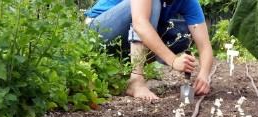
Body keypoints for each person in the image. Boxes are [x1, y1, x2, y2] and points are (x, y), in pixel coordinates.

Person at [85, 0, 213, 100]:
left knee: (184, 32)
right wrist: (173, 61)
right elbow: (140, 23)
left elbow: (205, 46)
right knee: (152, 5)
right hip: (97, 31)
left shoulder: (188, 2)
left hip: (123, 39)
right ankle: (136, 79)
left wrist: (203, 75)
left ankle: (125, 68)